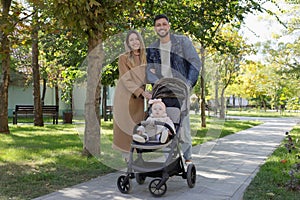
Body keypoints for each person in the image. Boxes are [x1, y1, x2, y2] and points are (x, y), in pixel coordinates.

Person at [146, 14, 201, 164]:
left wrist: (189, 84)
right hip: (162, 91)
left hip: (180, 89)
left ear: (168, 26)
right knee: (163, 124)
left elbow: (195, 62)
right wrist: (157, 82)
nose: (161, 27)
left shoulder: (182, 42)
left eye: (164, 24)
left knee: (183, 126)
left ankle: (188, 159)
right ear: (155, 28)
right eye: (158, 25)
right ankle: (168, 160)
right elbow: (148, 69)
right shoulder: (152, 48)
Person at [113, 30, 152, 162]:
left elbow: (148, 75)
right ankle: (127, 160)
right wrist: (142, 92)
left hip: (139, 98)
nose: (135, 42)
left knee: (136, 126)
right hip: (125, 97)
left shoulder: (144, 57)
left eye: (136, 39)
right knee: (125, 128)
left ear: (140, 41)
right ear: (128, 44)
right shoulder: (123, 58)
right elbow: (126, 79)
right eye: (131, 40)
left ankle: (138, 158)